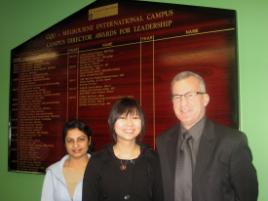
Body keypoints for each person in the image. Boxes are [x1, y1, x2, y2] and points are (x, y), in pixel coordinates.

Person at [156, 71, 258, 201]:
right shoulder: (163, 142)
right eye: (177, 97)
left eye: (190, 95)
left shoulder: (232, 142)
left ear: (205, 99)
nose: (183, 103)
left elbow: (247, 196)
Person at [82, 97, 163, 201]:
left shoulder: (153, 159)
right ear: (112, 122)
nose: (129, 124)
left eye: (135, 118)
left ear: (142, 123)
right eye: (122, 118)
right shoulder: (97, 161)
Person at [41, 119, 93, 201]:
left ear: (89, 141)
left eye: (81, 139)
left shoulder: (99, 169)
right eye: (70, 141)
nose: (75, 145)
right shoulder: (53, 171)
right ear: (65, 144)